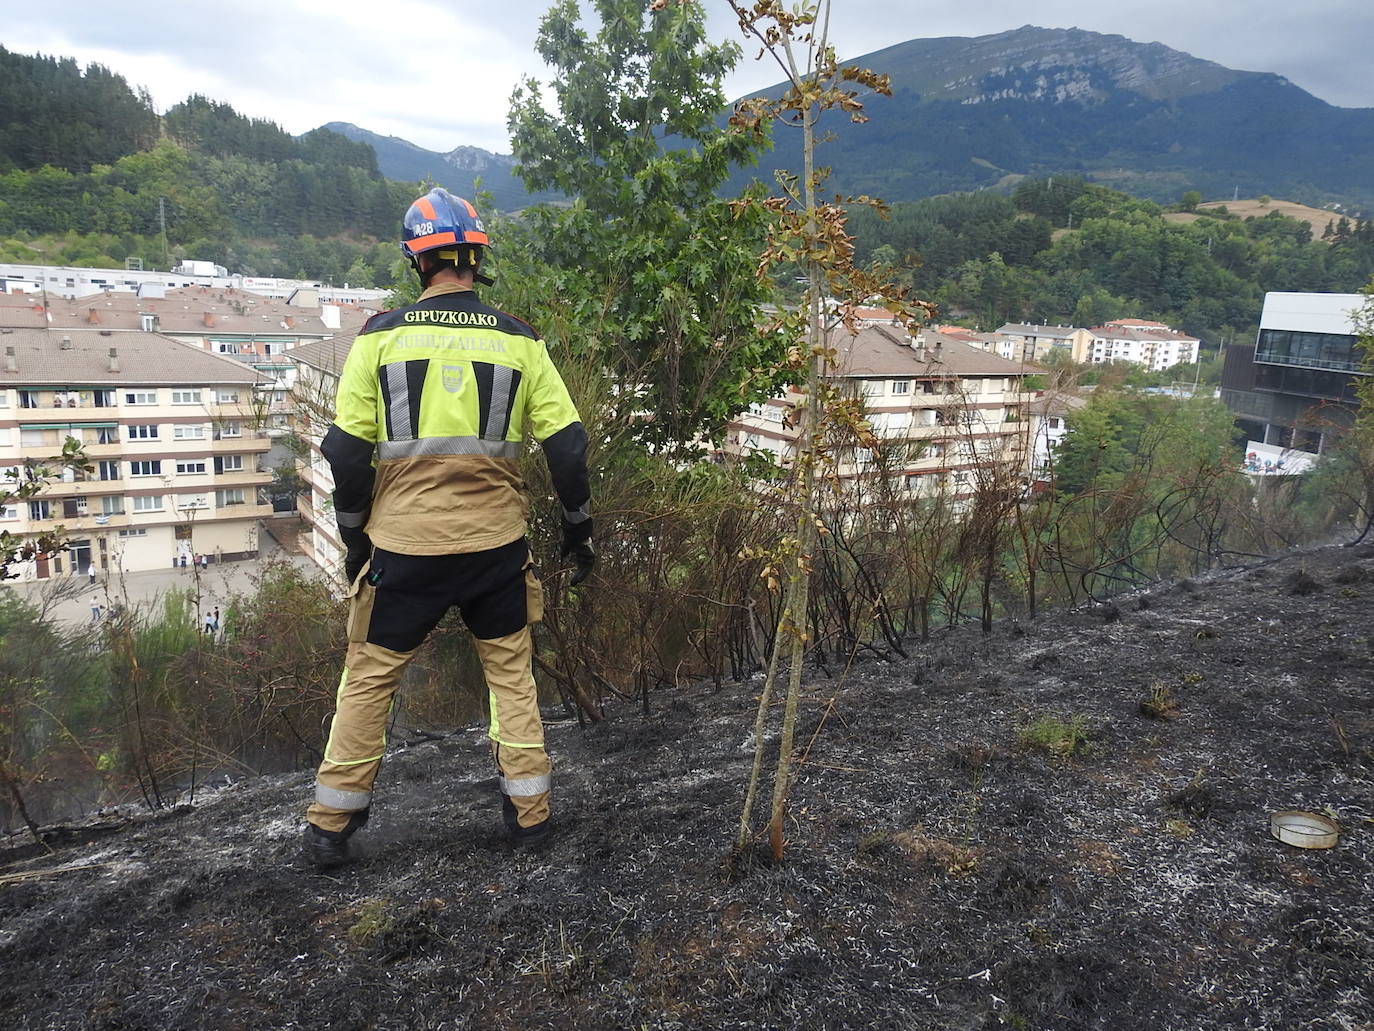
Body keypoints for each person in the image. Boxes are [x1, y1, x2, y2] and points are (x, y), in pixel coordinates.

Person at [303, 188, 594, 870]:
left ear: (416, 261)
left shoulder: (380, 337)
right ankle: (531, 814)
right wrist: (579, 530)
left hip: (405, 551)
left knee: (371, 676)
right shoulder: (520, 341)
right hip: (496, 548)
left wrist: (355, 541)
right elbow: (569, 446)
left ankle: (329, 827)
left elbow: (346, 451)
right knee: (511, 675)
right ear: (475, 258)